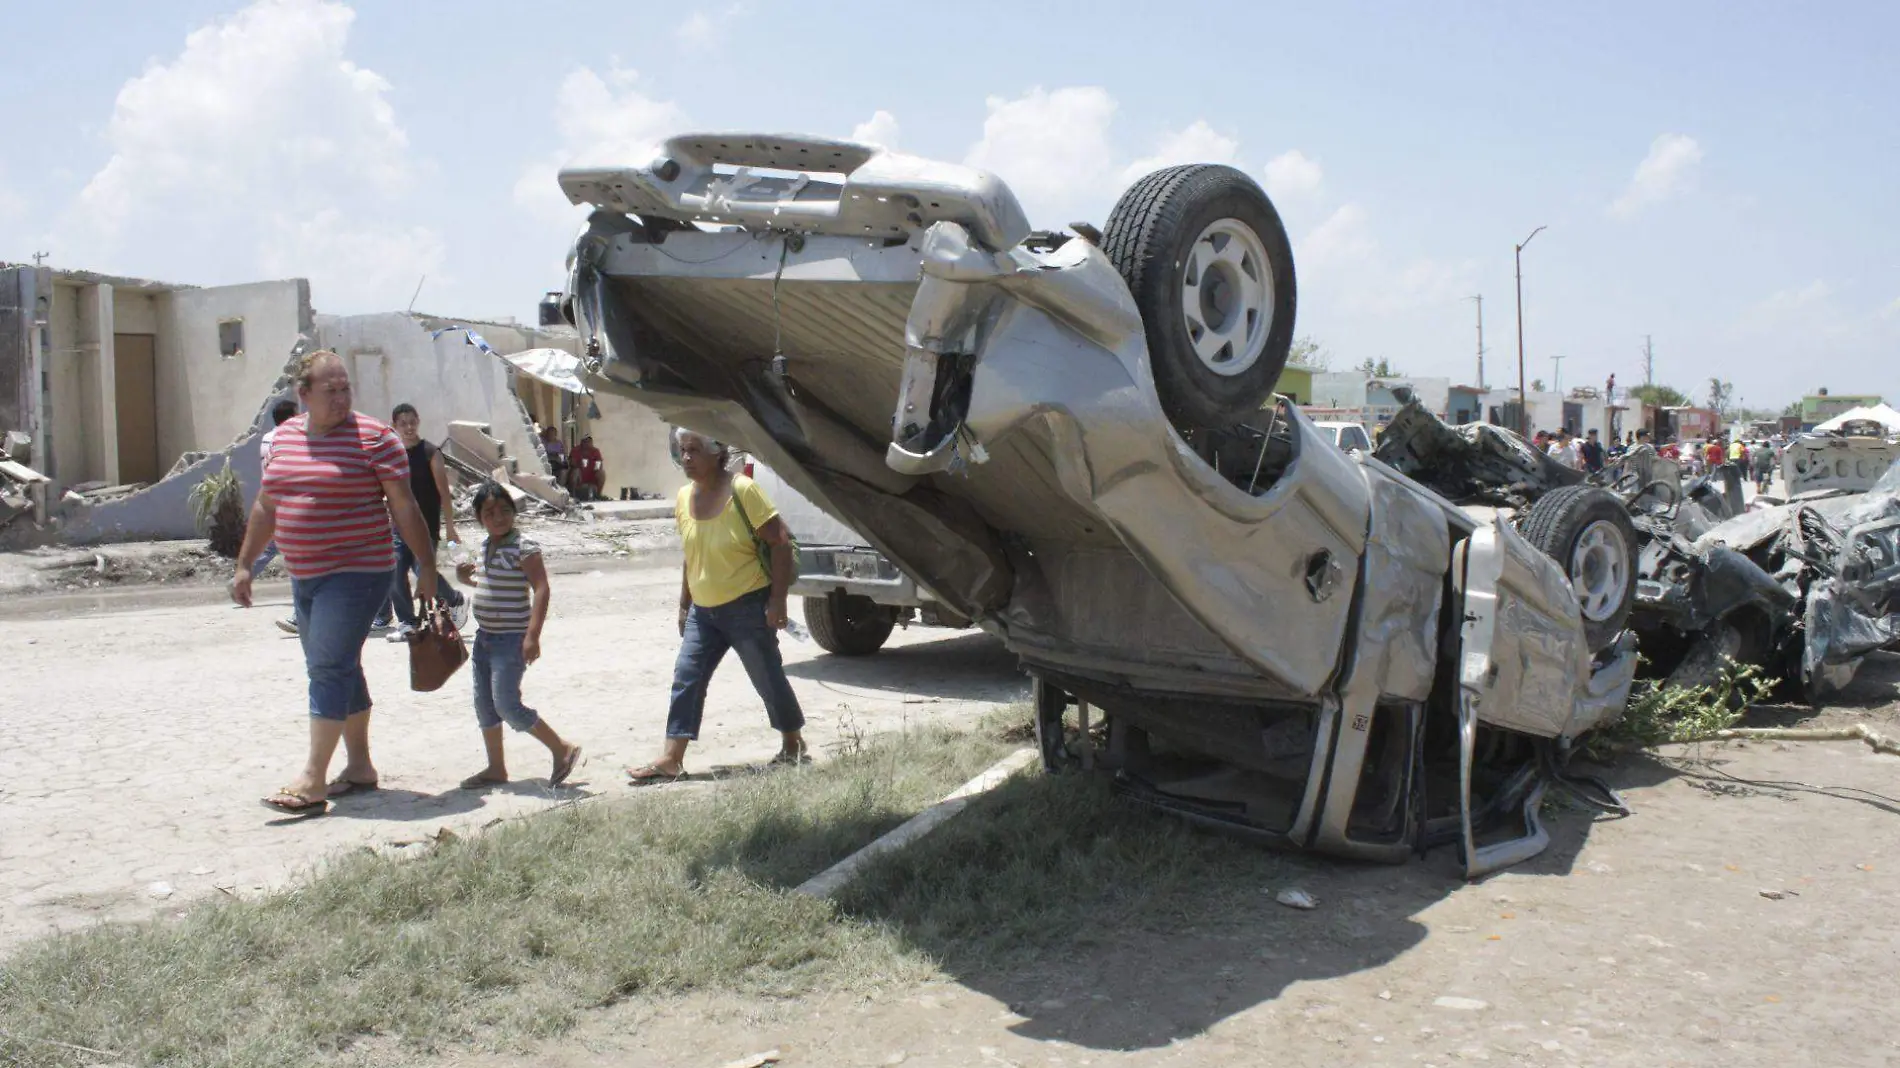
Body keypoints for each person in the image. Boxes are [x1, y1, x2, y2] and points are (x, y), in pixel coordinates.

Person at [231, 350, 440, 815]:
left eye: (346, 388)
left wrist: (426, 566)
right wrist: (245, 564)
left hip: (359, 572)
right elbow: (268, 505)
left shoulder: (374, 438)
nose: (342, 398)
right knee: (340, 666)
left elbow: (405, 507)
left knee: (327, 667)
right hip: (305, 576)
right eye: (332, 391)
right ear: (303, 395)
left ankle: (312, 779)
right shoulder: (283, 438)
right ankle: (361, 766)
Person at [626, 429, 805, 784]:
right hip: (703, 613)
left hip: (748, 607)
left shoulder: (743, 490)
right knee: (686, 678)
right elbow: (691, 555)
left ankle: (792, 743)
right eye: (682, 450)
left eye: (694, 450)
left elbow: (780, 543)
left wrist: (777, 601)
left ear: (716, 453)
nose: (687, 458)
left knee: (767, 678)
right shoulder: (682, 497)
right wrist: (683, 605)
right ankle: (671, 758)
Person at [453, 482, 584, 789]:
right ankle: (496, 768)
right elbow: (492, 586)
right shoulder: (487, 546)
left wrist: (532, 636)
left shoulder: (524, 546)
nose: (498, 518)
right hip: (485, 639)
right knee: (484, 704)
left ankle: (561, 748)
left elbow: (541, 588)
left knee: (507, 704)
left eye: (504, 511)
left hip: (510, 640)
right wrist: (465, 579)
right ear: (479, 517)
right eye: (490, 513)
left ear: (514, 512)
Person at [373, 403, 465, 641]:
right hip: (398, 526)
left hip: (426, 525)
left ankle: (454, 599)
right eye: (402, 423)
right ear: (394, 426)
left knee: (420, 568)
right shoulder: (391, 455)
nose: (408, 427)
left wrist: (450, 527)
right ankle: (406, 622)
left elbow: (444, 493)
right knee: (394, 571)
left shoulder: (430, 452)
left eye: (412, 422)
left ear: (418, 421)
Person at [250, 398, 300, 634]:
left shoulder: (267, 438)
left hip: (275, 501)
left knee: (273, 549)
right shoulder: (285, 439)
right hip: (287, 502)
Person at [568, 434, 605, 500]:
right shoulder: (576, 450)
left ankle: (598, 495)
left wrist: (597, 468)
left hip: (592, 474)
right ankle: (572, 495)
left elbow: (599, 464)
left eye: (589, 442)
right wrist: (579, 464)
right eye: (585, 441)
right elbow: (572, 463)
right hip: (580, 474)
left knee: (602, 473)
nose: (587, 443)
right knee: (575, 471)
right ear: (582, 442)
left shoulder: (595, 451)